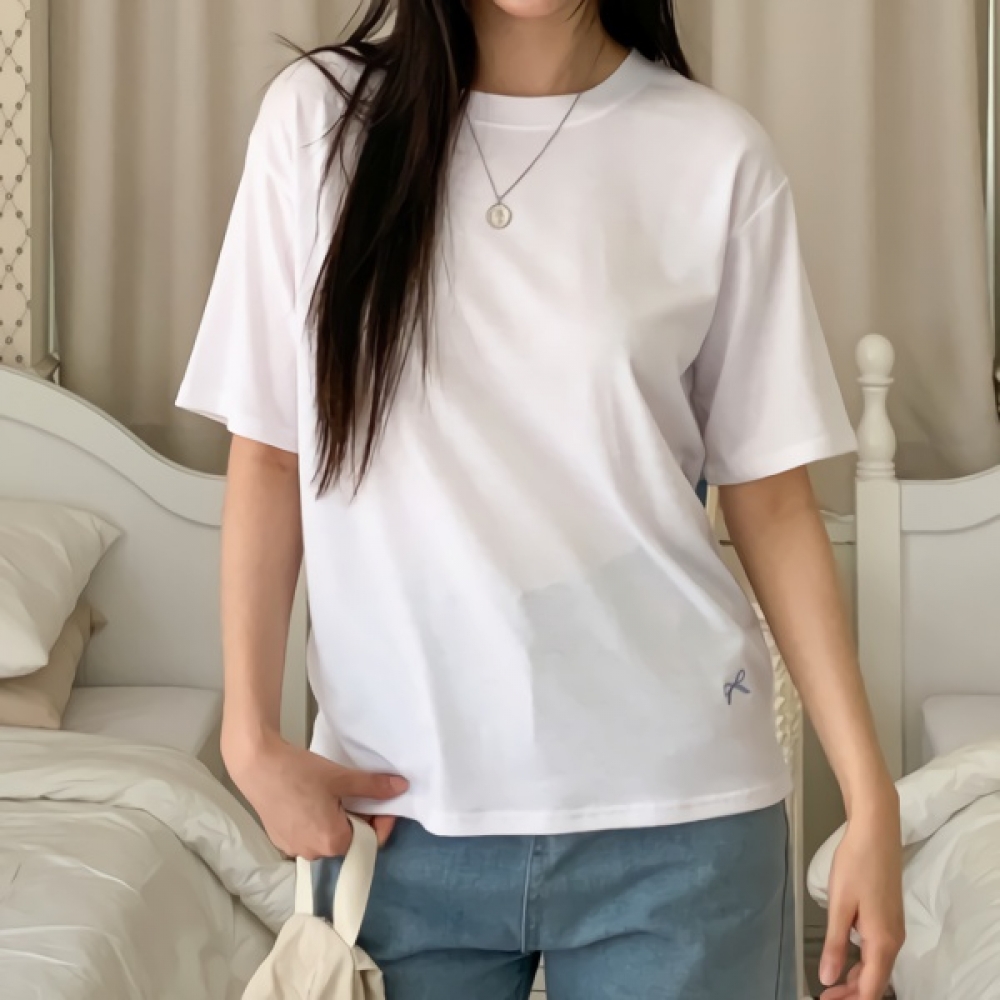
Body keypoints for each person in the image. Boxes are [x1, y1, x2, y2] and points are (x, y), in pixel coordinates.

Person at [177, 0, 904, 997]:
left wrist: (869, 797)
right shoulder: (317, 124)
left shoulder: (714, 154)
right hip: (393, 824)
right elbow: (270, 454)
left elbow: (772, 500)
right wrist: (250, 738)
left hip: (679, 826)